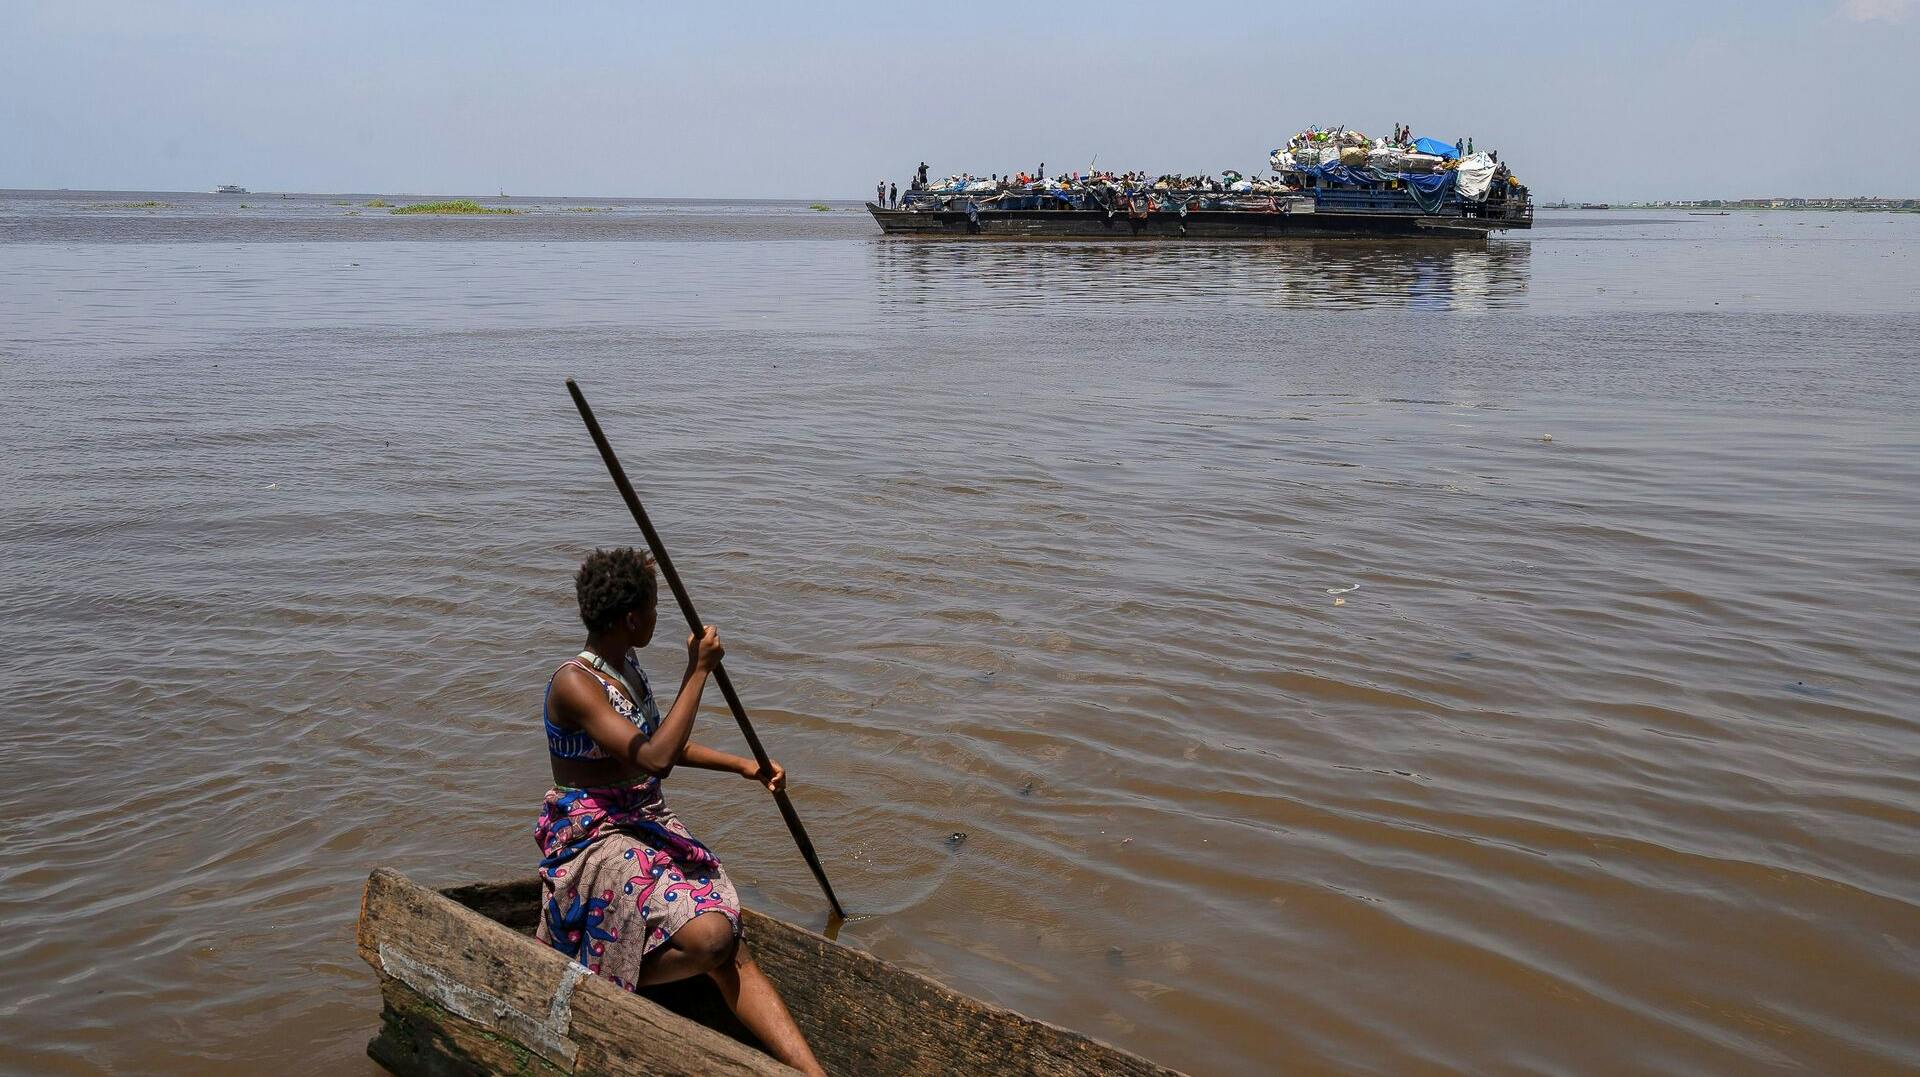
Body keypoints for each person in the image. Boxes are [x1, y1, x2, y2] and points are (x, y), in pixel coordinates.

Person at [534, 548, 825, 1077]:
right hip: (592, 837)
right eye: (653, 607)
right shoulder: (574, 683)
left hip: (642, 819)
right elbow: (655, 758)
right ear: (631, 618)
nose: (657, 617)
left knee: (728, 940)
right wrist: (699, 672)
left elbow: (656, 743)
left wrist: (743, 765)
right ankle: (599, 965)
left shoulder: (626, 667)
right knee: (711, 939)